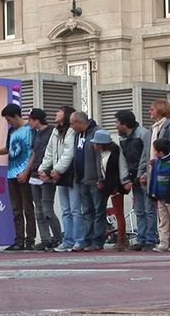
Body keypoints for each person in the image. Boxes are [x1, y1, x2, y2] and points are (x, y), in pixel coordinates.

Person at [0, 103, 36, 251]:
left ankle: (30, 239)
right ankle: (18, 239)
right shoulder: (11, 131)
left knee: (28, 208)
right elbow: (8, 149)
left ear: (15, 116)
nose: (8, 123)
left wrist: (26, 172)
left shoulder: (30, 129)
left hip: (24, 173)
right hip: (11, 173)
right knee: (16, 208)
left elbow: (34, 151)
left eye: (9, 119)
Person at [136, 100, 170, 251]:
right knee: (161, 212)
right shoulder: (151, 129)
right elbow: (145, 152)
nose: (150, 111)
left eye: (152, 109)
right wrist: (143, 171)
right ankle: (163, 240)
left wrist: (164, 159)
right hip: (154, 172)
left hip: (166, 171)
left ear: (161, 110)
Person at [38, 106, 82, 252]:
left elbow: (69, 154)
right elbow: (49, 152)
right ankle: (68, 240)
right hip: (60, 175)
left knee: (75, 209)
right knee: (65, 210)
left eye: (59, 111)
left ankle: (78, 240)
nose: (56, 113)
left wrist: (56, 170)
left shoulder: (72, 131)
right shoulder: (56, 131)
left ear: (67, 115)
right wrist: (43, 169)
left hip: (71, 173)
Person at [114, 110, 149, 251]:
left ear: (124, 123)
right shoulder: (122, 138)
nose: (115, 125)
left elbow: (147, 155)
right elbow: (122, 159)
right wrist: (125, 179)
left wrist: (145, 172)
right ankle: (141, 239)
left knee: (149, 209)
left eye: (117, 122)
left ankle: (150, 238)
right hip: (133, 176)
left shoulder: (143, 134)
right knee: (139, 209)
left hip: (144, 175)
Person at [28, 108, 62, 251]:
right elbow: (34, 153)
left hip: (47, 174)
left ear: (36, 120)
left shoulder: (52, 132)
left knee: (47, 209)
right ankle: (45, 239)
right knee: (38, 210)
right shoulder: (35, 134)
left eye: (30, 120)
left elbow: (55, 153)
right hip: (35, 174)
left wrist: (49, 171)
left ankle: (58, 238)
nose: (29, 122)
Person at [70, 111, 103, 251]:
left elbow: (100, 157)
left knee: (98, 210)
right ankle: (87, 239)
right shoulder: (78, 135)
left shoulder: (97, 133)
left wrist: (101, 177)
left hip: (94, 178)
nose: (71, 127)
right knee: (87, 211)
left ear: (79, 122)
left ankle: (98, 240)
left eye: (72, 123)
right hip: (82, 178)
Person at [91, 129, 129, 251]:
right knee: (101, 211)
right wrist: (100, 180)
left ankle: (121, 240)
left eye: (96, 143)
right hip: (106, 186)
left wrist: (123, 183)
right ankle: (107, 238)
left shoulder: (115, 152)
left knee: (119, 213)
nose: (95, 145)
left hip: (115, 186)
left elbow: (119, 169)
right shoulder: (102, 153)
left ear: (102, 144)